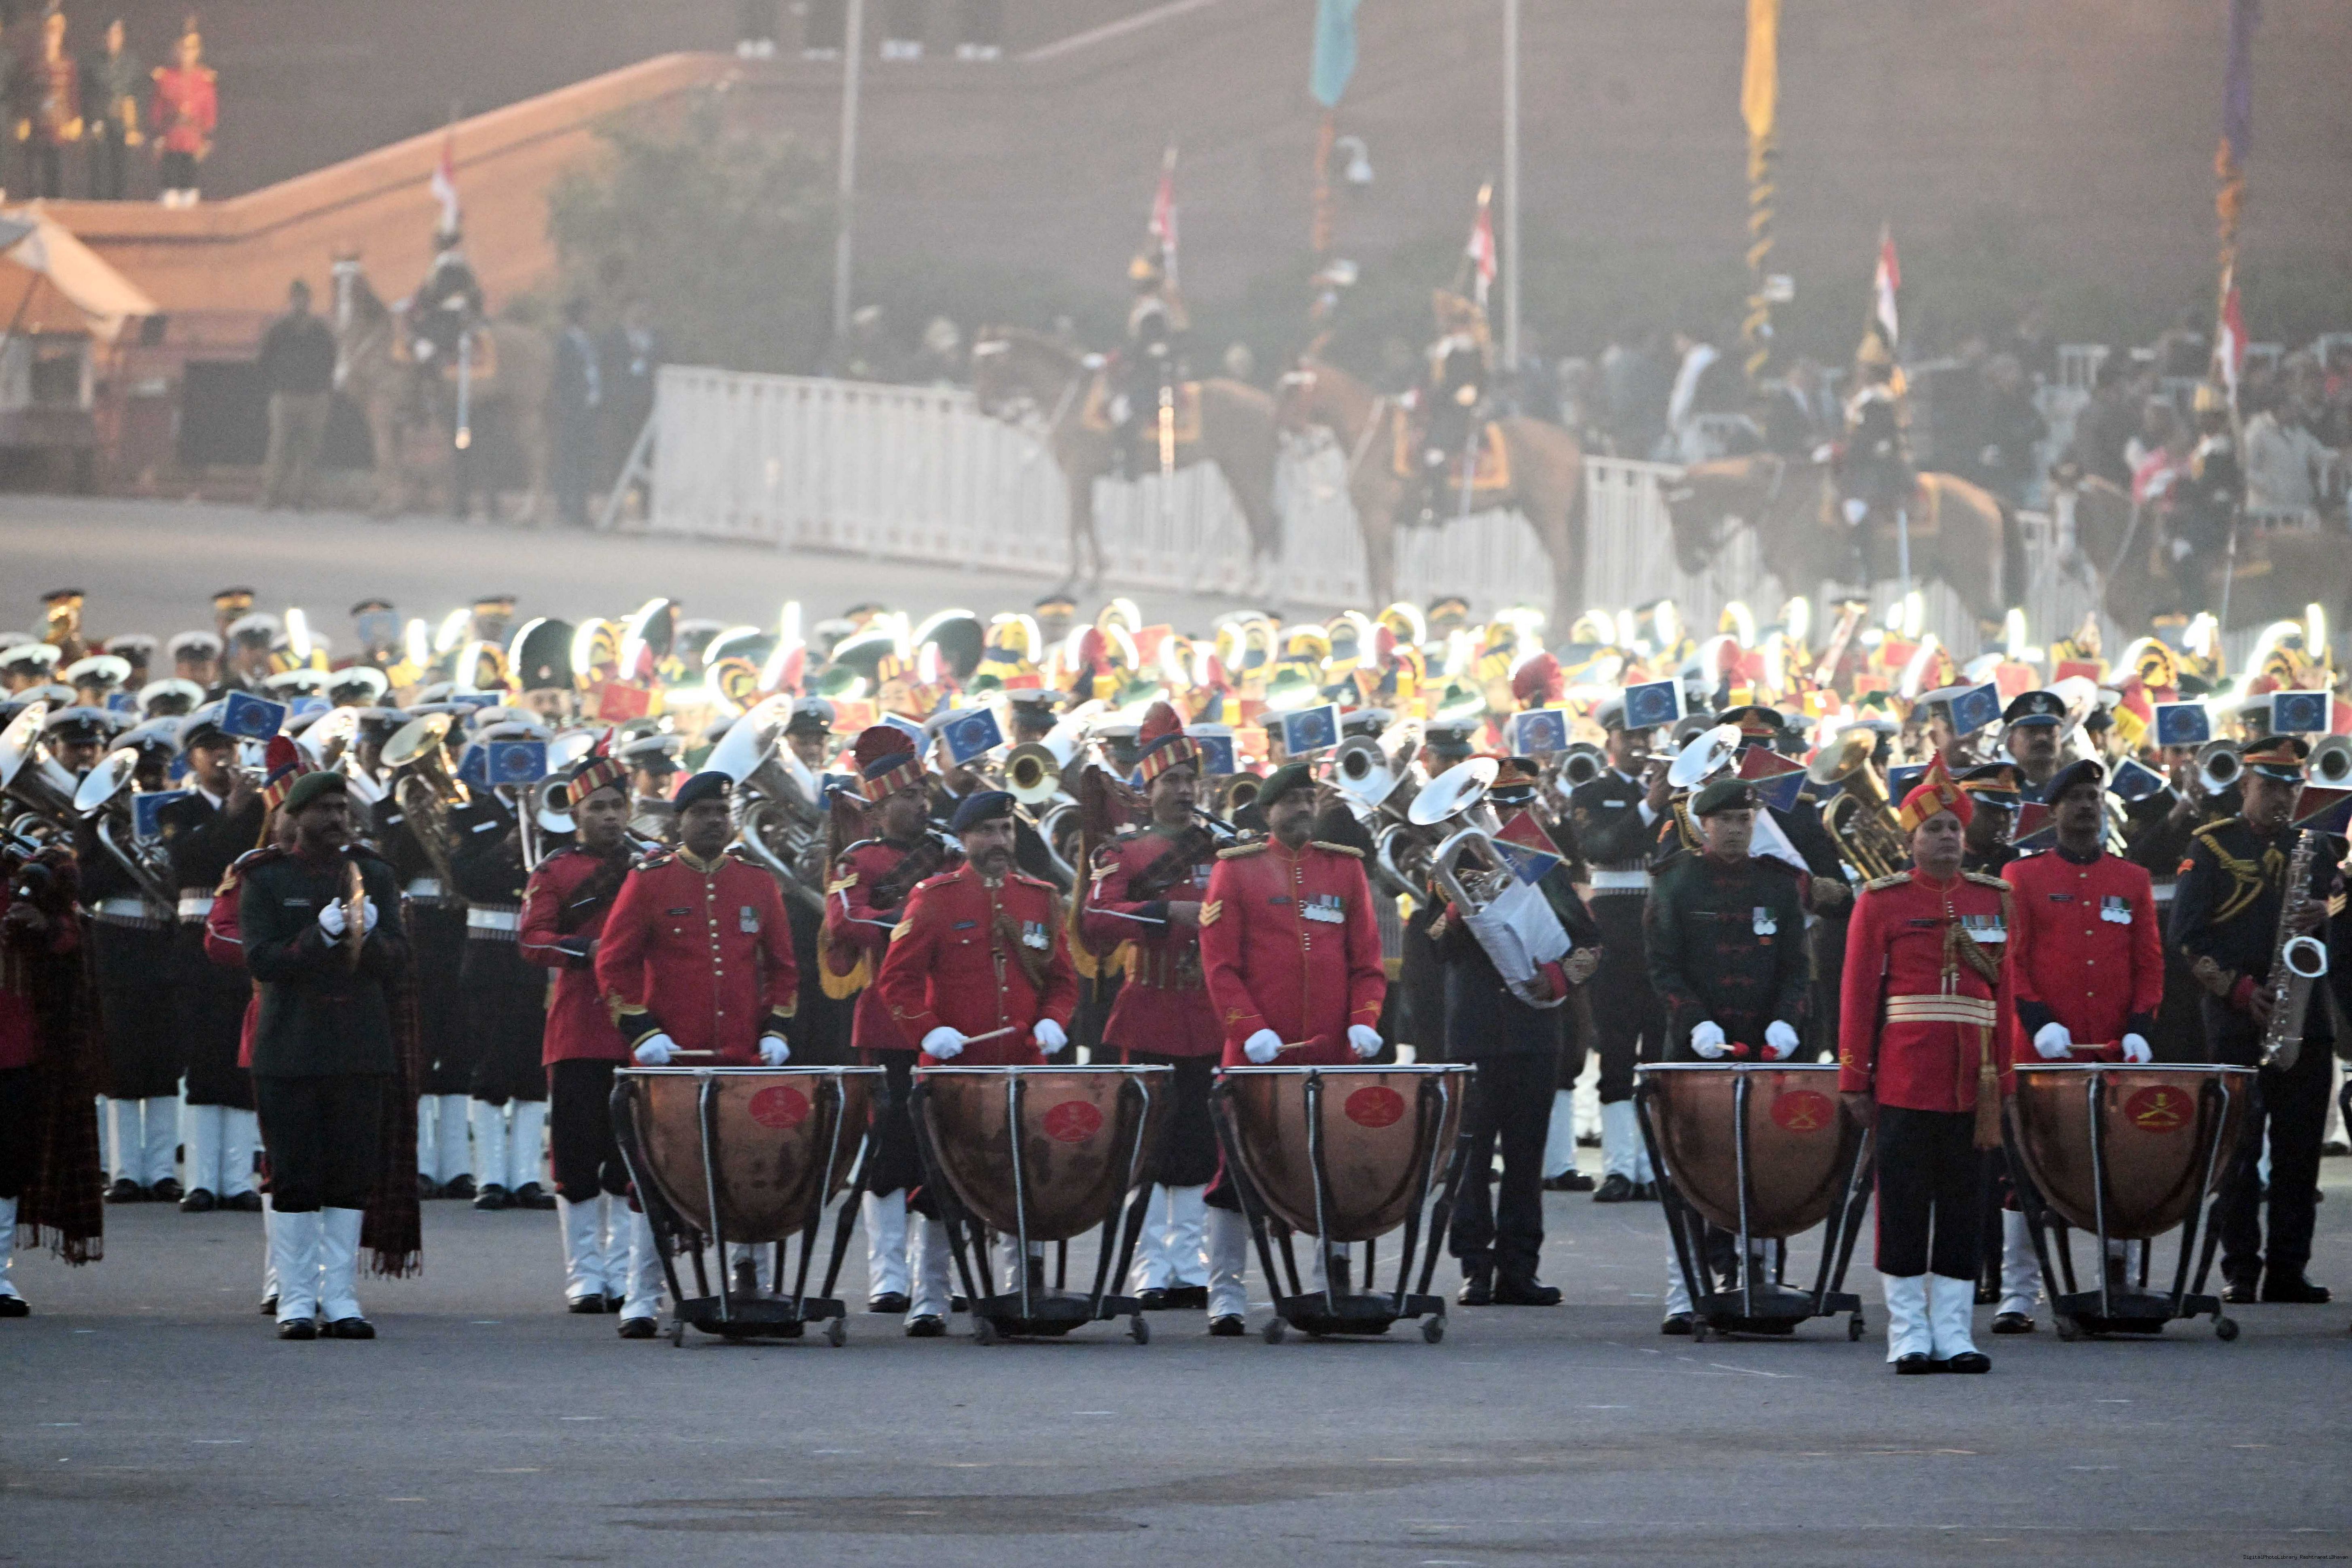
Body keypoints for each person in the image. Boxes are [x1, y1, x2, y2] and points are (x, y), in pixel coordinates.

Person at [872, 788, 1076, 1328]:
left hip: (1023, 1067)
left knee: (1023, 1181)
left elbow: (1062, 980)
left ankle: (1022, 1292)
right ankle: (930, 1297)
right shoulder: (935, 897)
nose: (999, 840)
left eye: (1005, 829)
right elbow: (897, 981)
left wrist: (1054, 1019)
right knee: (941, 1184)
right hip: (954, 1069)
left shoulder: (1039, 897)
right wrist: (929, 1030)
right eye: (986, 831)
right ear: (963, 839)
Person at [1839, 759, 2017, 1374]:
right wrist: (1853, 1077)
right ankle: (1909, 1332)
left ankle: (1955, 1332)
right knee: (1905, 1207)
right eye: (1933, 827)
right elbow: (1858, 994)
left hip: (1974, 1083)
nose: (1945, 837)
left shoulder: (1993, 899)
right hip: (1905, 1078)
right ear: (1911, 838)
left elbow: (2004, 996)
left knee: (1966, 1209)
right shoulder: (1881, 901)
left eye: (1953, 827)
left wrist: (2006, 1077)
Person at [1196, 762, 1387, 1334]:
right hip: (1257, 1055)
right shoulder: (1236, 870)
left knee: (1333, 1170)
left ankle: (1332, 1283)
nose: (1303, 807)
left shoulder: (1344, 868)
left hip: (1331, 1054)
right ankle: (1226, 1292)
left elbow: (1367, 962)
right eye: (1292, 800)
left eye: (1309, 797)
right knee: (1236, 1176)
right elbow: (1220, 965)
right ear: (1267, 811)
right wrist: (1249, 1028)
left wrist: (1364, 1020)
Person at [2168, 735, 2348, 1305]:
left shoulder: (2317, 846)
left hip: (2305, 1016)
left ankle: (2288, 1268)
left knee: (2299, 1151)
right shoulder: (2210, 845)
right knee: (2237, 1150)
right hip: (2236, 1015)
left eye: (2290, 787)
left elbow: (2343, 908)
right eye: (2269, 786)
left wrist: (2330, 909)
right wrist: (2240, 989)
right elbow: (2186, 937)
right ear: (2244, 784)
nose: (2281, 798)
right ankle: (2241, 1267)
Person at [1996, 758, 2163, 1333]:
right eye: (2074, 798)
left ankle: (2120, 1282)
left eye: (2093, 796)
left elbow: (2148, 963)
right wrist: (2038, 1019)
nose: (2086, 806)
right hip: (2043, 1050)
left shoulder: (2130, 878)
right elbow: (2012, 960)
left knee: (2119, 1169)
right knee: (2027, 1171)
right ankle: (2019, 1293)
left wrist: (2140, 1025)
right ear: (2053, 811)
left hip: (2112, 1050)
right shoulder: (2022, 875)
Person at [239, 770, 408, 1340]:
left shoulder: (375, 873)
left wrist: (373, 937)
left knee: (349, 1176)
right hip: (291, 1045)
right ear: (297, 815)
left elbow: (400, 959)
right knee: (294, 1175)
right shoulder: (265, 877)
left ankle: (339, 1297)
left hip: (358, 1045)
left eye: (343, 807)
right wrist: (323, 935)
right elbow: (262, 959)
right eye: (326, 809)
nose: (338, 818)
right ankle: (294, 1299)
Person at [1642, 776, 1811, 1331]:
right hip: (1696, 1048)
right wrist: (1694, 1021)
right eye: (1725, 820)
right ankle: (1683, 1291)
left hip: (1763, 1049)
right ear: (1704, 824)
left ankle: (1761, 1283)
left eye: (1745, 819)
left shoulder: (1779, 883)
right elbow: (1663, 966)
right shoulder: (1674, 882)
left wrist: (1787, 1021)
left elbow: (1796, 968)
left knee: (1764, 1169)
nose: (1736, 829)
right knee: (1689, 1169)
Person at [1435, 760, 1600, 1310]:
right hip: (1476, 1028)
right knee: (1471, 1155)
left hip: (1534, 1027)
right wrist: (1461, 904)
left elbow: (1588, 943)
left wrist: (1555, 977)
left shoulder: (1544, 866)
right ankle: (1474, 1266)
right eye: (1499, 807)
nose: (1508, 816)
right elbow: (1435, 945)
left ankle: (1519, 1267)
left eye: (1518, 806)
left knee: (1526, 1157)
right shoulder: (1455, 866)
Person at [1082, 703, 1220, 1312]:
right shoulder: (1126, 852)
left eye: (1191, 780)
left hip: (1208, 1014)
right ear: (1149, 787)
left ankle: (1188, 1265)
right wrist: (1166, 913)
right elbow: (1096, 915)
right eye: (1172, 780)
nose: (1184, 790)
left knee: (1197, 1141)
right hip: (1149, 1010)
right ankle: (1148, 1268)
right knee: (1146, 1143)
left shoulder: (1221, 848)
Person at [520, 751, 662, 1334]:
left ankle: (627, 1270)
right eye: (597, 807)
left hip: (642, 1029)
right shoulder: (555, 871)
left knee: (634, 1155)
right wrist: (590, 949)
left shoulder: (653, 863)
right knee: (577, 1155)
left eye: (617, 806)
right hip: (579, 1027)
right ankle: (584, 1274)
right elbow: (532, 940)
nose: (609, 816)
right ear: (575, 813)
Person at [820, 724, 940, 1322]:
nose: (921, 805)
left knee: (943, 1147)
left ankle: (933, 1274)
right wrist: (919, 925)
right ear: (878, 806)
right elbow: (846, 921)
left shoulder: (950, 854)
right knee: (889, 1148)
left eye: (923, 794)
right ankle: (889, 1274)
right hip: (888, 1022)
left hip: (949, 1021)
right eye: (908, 796)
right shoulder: (859, 860)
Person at [597, 768, 797, 1064]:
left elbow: (782, 968)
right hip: (669, 1051)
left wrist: (775, 1031)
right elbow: (614, 963)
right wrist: (642, 1031)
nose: (715, 820)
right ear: (679, 821)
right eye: (702, 812)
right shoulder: (648, 881)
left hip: (743, 1052)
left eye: (722, 811)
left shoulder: (759, 882)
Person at [446, 723, 554, 1212]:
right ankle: (491, 1177)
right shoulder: (468, 814)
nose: (518, 767)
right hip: (489, 954)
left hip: (537, 956)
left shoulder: (553, 814)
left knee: (532, 1068)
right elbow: (465, 878)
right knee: (490, 1063)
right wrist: (507, 846)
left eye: (526, 755)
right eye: (509, 755)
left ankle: (526, 1177)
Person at [1564, 694, 1667, 1201]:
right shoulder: (1590, 792)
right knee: (1617, 1048)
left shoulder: (1676, 791)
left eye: (1645, 735)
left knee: (1661, 1052)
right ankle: (1620, 1167)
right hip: (1615, 930)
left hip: (1662, 928)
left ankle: (1654, 1168)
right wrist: (1650, 805)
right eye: (1629, 735)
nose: (1638, 744)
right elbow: (1598, 848)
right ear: (1610, 739)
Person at [0, 838, 101, 1313]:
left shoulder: (30, 870)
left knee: (6, 1166)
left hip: (15, 1043)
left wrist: (45, 924)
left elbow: (71, 935)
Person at [256, 279, 339, 512]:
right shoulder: (278, 329)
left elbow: (332, 359)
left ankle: (301, 496)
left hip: (315, 397)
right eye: (297, 298)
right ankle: (271, 495)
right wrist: (276, 385)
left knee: (310, 449)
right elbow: (264, 360)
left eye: (304, 298)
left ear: (309, 301)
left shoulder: (321, 330)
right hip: (285, 396)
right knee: (278, 447)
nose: (300, 303)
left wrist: (324, 388)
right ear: (291, 300)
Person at [147, 19, 213, 206]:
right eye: (183, 49)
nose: (187, 54)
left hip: (193, 138)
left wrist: (206, 136)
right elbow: (158, 110)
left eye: (191, 49)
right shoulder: (166, 78)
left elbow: (209, 112)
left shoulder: (204, 79)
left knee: (189, 185)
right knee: (170, 189)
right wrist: (158, 135)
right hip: (171, 137)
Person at [17, 8, 80, 200]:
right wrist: (23, 119)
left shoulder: (68, 64)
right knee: (36, 179)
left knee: (58, 178)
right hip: (37, 129)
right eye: (49, 30)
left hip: (60, 130)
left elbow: (73, 95)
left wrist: (75, 119)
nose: (52, 36)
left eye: (57, 31)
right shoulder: (32, 65)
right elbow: (24, 94)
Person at [551, 296, 602, 528]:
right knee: (569, 459)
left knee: (585, 460)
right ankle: (566, 508)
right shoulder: (565, 343)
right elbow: (562, 377)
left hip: (590, 407)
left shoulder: (590, 341)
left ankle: (581, 509)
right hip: (572, 408)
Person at [79, 17, 140, 201]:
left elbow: (136, 95)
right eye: (109, 34)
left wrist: (133, 126)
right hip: (99, 124)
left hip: (122, 124)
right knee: (98, 173)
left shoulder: (132, 64)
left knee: (121, 173)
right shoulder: (91, 63)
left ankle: (119, 210)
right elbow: (85, 96)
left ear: (122, 37)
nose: (112, 38)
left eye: (116, 34)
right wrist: (89, 123)